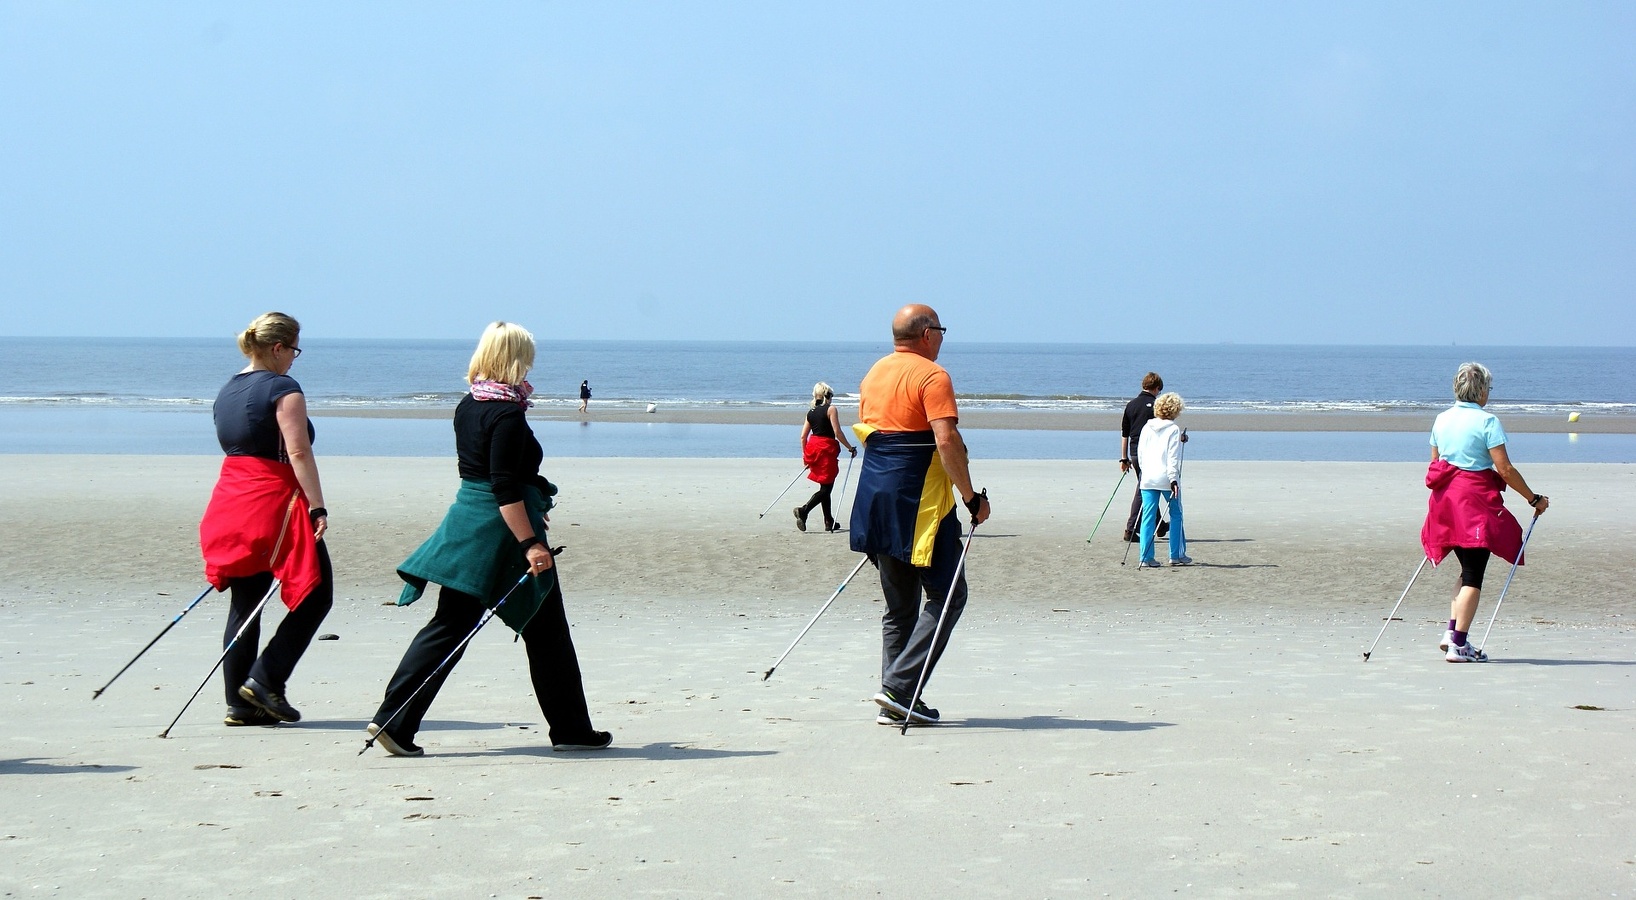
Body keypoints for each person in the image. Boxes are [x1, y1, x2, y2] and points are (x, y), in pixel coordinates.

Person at [366, 322, 609, 756]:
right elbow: (502, 486)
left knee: (469, 626)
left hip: (471, 523)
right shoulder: (507, 413)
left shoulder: (470, 404)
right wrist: (530, 542)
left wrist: (531, 511)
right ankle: (395, 721)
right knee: (517, 629)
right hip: (497, 535)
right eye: (527, 356)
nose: (531, 364)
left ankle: (394, 721)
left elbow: (497, 477)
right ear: (515, 358)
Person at [850, 304, 990, 726]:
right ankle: (900, 688)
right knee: (949, 595)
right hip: (920, 503)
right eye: (942, 330)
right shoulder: (933, 375)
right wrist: (970, 499)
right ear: (928, 334)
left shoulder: (875, 372)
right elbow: (944, 441)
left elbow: (891, 430)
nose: (944, 338)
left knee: (900, 607)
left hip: (875, 499)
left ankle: (895, 698)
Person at [198, 312, 333, 726]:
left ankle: (240, 704)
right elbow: (297, 452)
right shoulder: (283, 388)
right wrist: (317, 506)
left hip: (231, 499)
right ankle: (265, 680)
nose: (295, 358)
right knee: (317, 593)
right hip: (273, 501)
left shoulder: (227, 390)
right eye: (293, 349)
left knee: (247, 602)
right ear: (277, 348)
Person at [1423, 362, 1548, 663]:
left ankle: (1452, 634)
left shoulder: (1441, 419)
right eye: (1489, 389)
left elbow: (1437, 464)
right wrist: (1533, 499)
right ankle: (1458, 645)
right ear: (1480, 390)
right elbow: (1504, 469)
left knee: (1467, 571)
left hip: (1444, 504)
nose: (1489, 394)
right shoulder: (1487, 421)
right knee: (1473, 577)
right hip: (1473, 503)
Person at [794, 382, 858, 532]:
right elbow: (837, 433)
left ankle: (829, 521)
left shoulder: (810, 412)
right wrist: (850, 448)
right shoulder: (831, 409)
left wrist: (806, 457)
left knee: (824, 486)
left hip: (814, 449)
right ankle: (803, 510)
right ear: (827, 395)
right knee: (827, 488)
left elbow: (803, 437)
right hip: (826, 450)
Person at [1136, 392, 1191, 568]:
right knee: (1176, 514)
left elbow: (1141, 453)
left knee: (1148, 517)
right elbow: (1172, 458)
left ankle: (1145, 557)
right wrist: (1173, 479)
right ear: (1175, 410)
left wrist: (1144, 472)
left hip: (1148, 477)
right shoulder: (1173, 429)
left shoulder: (1146, 427)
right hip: (1167, 478)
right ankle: (1175, 555)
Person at [1120, 372, 1170, 543]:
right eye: (1159, 391)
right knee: (1144, 488)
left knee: (1148, 485)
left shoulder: (1131, 405)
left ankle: (1160, 525)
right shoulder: (1155, 406)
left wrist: (1124, 458)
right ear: (1156, 388)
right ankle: (1131, 528)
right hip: (1149, 453)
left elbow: (1125, 434)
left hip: (1133, 452)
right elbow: (1162, 429)